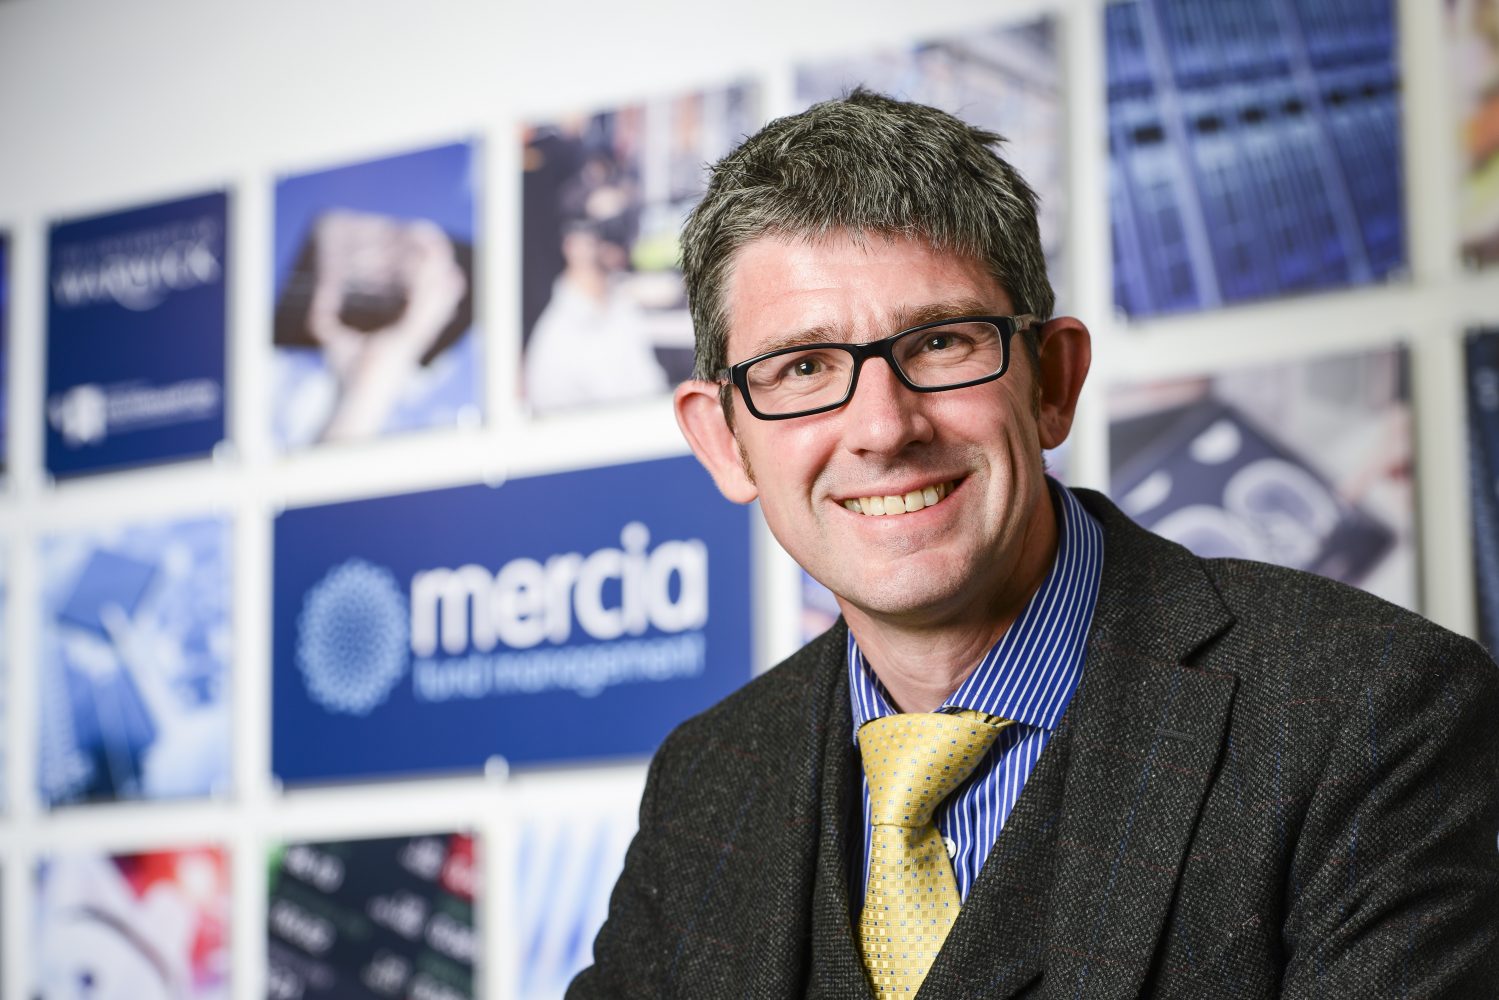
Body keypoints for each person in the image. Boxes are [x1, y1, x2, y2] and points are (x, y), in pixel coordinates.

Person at [566, 90, 1499, 999]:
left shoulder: (1370, 711)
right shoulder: (706, 780)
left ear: (1051, 381)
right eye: (804, 366)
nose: (882, 429)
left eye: (939, 344)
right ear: (724, 441)